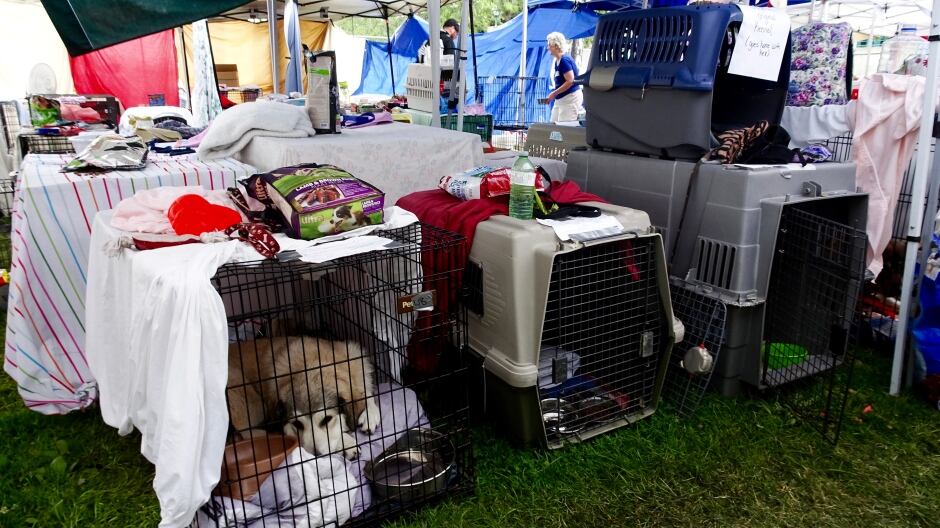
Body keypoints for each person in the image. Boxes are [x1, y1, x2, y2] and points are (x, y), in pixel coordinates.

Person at [545, 32, 583, 123]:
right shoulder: (557, 61)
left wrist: (554, 93)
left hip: (570, 98)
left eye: (550, 45)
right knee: (553, 125)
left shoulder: (564, 60)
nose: (548, 48)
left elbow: (570, 81)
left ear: (556, 46)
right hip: (560, 100)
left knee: (564, 128)